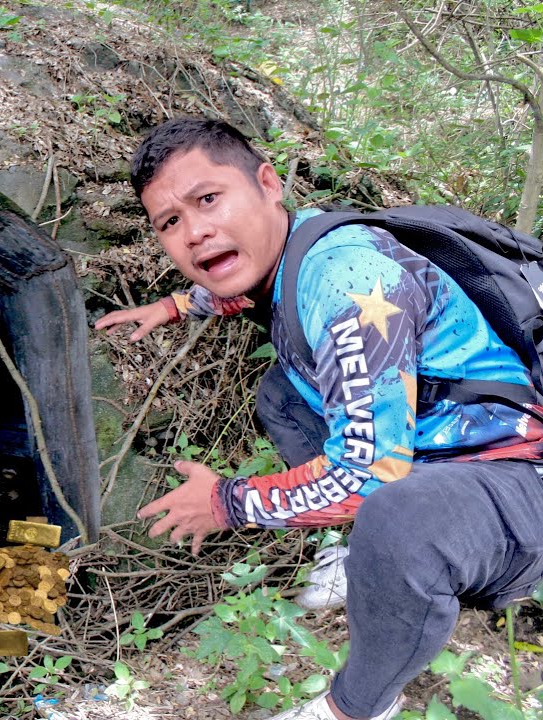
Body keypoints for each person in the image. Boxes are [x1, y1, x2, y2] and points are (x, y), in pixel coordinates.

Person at [95, 117, 543, 720]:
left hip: (515, 471)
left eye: (208, 199)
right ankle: (369, 556)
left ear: (267, 183)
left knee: (396, 516)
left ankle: (355, 705)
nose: (195, 232)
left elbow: (370, 473)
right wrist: (176, 306)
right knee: (283, 395)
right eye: (169, 222)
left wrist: (228, 502)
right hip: (432, 443)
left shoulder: (346, 280)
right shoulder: (294, 246)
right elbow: (241, 283)